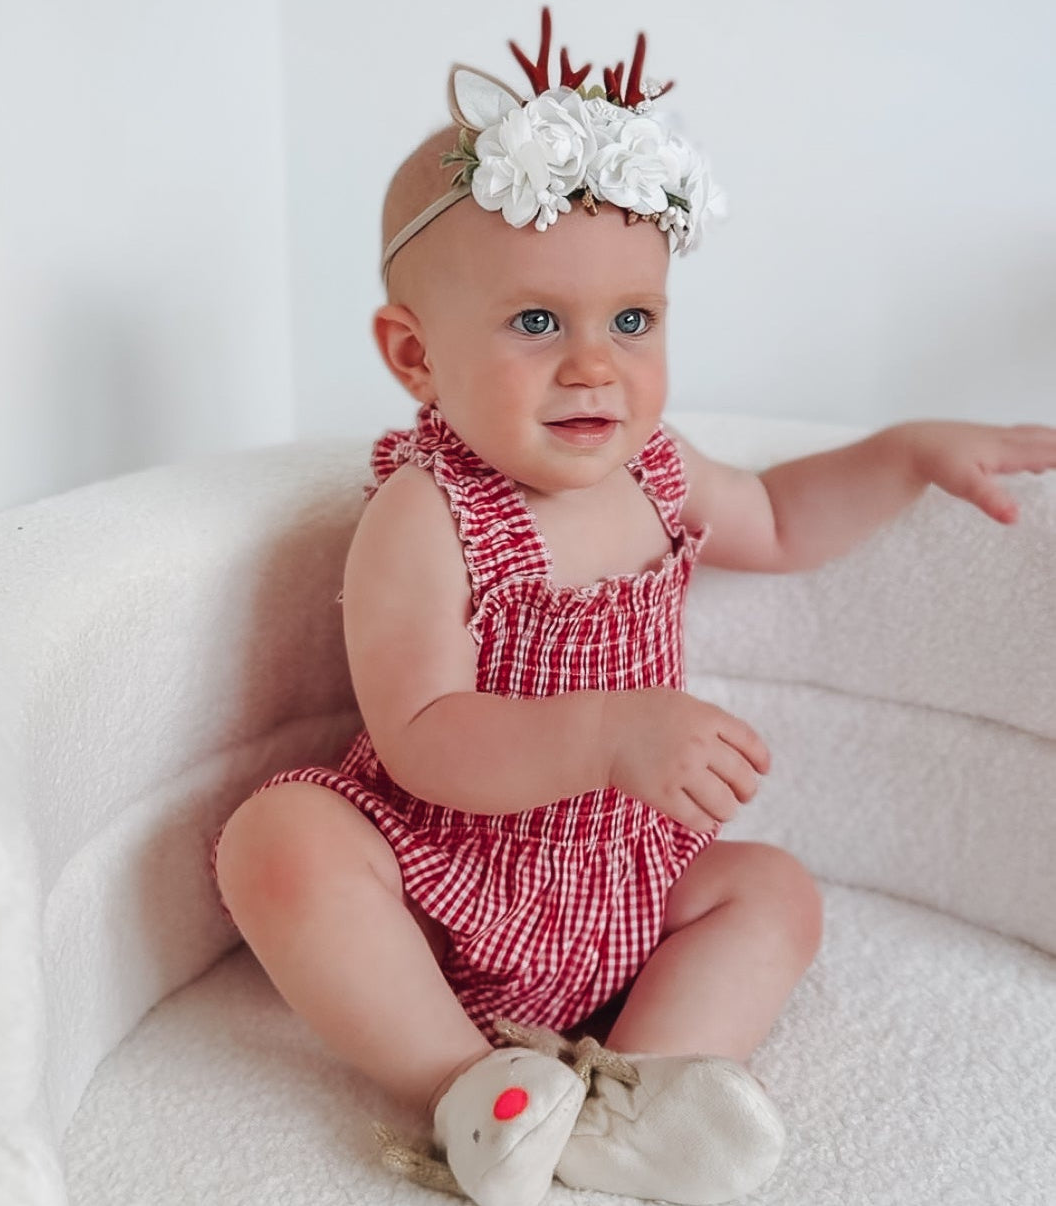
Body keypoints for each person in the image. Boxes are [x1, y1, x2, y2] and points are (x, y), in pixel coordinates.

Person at [214, 11, 1056, 1206]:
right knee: (278, 842)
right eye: (537, 323)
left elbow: (775, 516)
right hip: (444, 890)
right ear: (415, 357)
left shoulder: (658, 471)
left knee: (772, 893)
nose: (594, 364)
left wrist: (906, 451)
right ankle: (471, 1089)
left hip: (620, 887)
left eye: (633, 320)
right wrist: (611, 730)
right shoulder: (428, 511)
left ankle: (631, 1094)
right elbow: (421, 731)